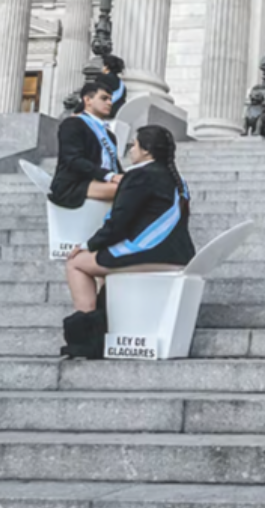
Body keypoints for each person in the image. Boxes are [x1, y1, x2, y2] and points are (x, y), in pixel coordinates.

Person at [60, 125, 196, 358]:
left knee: (76, 263)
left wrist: (86, 245)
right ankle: (106, 324)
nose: (131, 149)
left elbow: (118, 222)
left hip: (150, 253)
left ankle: (86, 339)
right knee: (103, 267)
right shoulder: (178, 180)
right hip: (180, 256)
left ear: (146, 150)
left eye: (134, 144)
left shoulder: (139, 175)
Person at [49, 82, 123, 209]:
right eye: (104, 98)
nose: (110, 103)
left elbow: (115, 164)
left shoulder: (109, 134)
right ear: (88, 100)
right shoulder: (72, 124)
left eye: (110, 99)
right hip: (75, 184)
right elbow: (73, 160)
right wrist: (110, 176)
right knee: (129, 190)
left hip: (101, 180)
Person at [98, 54, 127, 120]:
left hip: (103, 113)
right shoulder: (121, 84)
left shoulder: (102, 78)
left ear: (106, 66)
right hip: (116, 115)